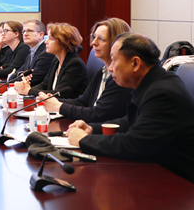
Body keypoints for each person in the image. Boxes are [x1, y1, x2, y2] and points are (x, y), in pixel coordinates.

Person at [67, 33, 194, 183]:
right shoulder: (153, 83)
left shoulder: (162, 93)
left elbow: (134, 144)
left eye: (114, 60)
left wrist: (84, 140)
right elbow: (130, 121)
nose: (110, 68)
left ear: (135, 63)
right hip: (157, 171)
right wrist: (91, 129)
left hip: (178, 183)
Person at [39, 18, 133, 122]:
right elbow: (82, 101)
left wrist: (59, 106)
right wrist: (52, 101)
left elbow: (99, 114)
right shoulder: (102, 72)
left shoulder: (121, 78)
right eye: (94, 37)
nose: (94, 43)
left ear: (117, 44)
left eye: (101, 39)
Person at [15, 22, 87, 98]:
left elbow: (59, 93)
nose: (46, 42)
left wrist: (29, 91)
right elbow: (44, 85)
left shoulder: (75, 64)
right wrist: (25, 89)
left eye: (51, 39)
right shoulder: (56, 61)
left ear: (63, 43)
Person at [10, 19, 54, 86]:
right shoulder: (31, 53)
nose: (25, 34)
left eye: (29, 31)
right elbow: (18, 72)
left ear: (41, 35)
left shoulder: (46, 53)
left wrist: (12, 77)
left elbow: (34, 79)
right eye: (24, 31)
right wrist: (20, 74)